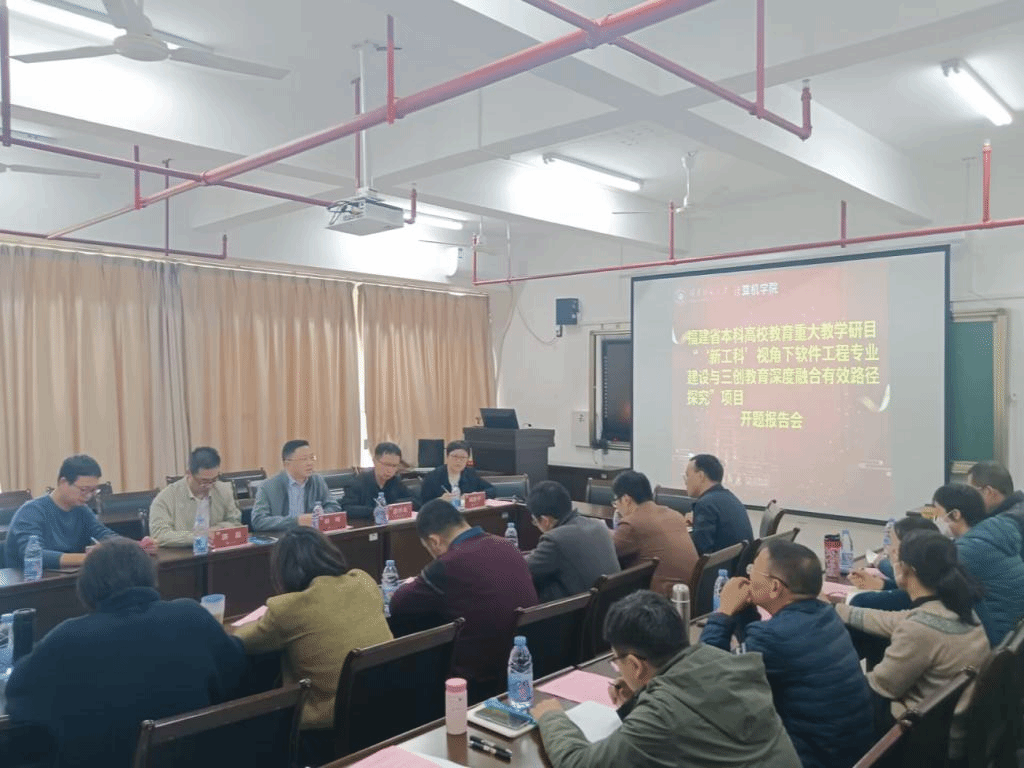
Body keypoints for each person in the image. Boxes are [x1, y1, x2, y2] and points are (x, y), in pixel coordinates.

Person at [4, 538, 246, 768]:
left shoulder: (66, 639)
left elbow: (17, 696)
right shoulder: (192, 616)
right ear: (151, 577)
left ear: (86, 588)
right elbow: (237, 669)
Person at [531, 590, 800, 768]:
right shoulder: (723, 661)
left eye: (617, 661)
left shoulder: (661, 716)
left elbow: (579, 763)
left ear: (635, 665)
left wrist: (552, 717)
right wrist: (642, 696)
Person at [701, 540, 873, 768]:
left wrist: (723, 612)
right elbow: (756, 653)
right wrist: (745, 610)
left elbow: (707, 678)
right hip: (850, 753)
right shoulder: (826, 614)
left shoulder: (773, 637)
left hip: (811, 759)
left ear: (774, 587)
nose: (748, 577)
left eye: (753, 571)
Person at [234, 527, 392, 762]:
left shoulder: (288, 609)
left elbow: (239, 641)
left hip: (326, 731)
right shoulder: (363, 581)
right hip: (386, 709)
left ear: (283, 571)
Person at [834, 530, 989, 729]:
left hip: (922, 733)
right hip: (955, 718)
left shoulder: (920, 629)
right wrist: (835, 609)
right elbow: (894, 620)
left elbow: (880, 686)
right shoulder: (957, 607)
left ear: (908, 569)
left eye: (895, 556)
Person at [388, 499, 537, 695]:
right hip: (522, 669)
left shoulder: (448, 564)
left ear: (434, 541)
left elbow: (398, 604)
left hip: (475, 682)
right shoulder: (507, 545)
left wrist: (411, 583)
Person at [932, 482, 1024, 646]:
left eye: (937, 512)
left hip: (996, 637)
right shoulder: (995, 531)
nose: (935, 519)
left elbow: (927, 584)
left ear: (956, 514)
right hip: (1014, 633)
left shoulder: (966, 551)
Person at [4, 454, 133, 569]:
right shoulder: (32, 511)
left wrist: (134, 546)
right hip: (29, 582)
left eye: (93, 490)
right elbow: (35, 555)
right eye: (84, 490)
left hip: (65, 578)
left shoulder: (82, 510)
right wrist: (91, 557)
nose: (89, 496)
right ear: (63, 482)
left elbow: (104, 534)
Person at [526, 480, 620, 601]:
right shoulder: (599, 525)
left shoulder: (555, 539)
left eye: (535, 521)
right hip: (612, 602)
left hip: (582, 610)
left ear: (545, 520)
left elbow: (523, 568)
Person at [610, 470, 697, 596]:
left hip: (662, 599)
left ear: (626, 499)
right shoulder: (675, 515)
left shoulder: (632, 523)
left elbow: (608, 554)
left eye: (616, 502)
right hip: (692, 594)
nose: (617, 507)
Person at [148, 446, 242, 547]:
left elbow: (235, 522)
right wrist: (198, 536)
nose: (209, 486)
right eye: (204, 481)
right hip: (182, 553)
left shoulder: (223, 490)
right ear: (189, 473)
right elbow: (160, 535)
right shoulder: (165, 498)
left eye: (214, 479)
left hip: (217, 552)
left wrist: (217, 530)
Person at [251, 440, 340, 532]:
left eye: (311, 458)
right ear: (287, 464)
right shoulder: (268, 486)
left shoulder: (317, 481)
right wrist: (297, 521)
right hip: (283, 537)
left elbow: (334, 507)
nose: (310, 463)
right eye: (304, 459)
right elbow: (258, 521)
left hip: (311, 535)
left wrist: (317, 517)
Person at [685, 453, 754, 555]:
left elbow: (700, 552)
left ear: (701, 476)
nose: (686, 482)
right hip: (738, 561)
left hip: (722, 564)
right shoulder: (728, 497)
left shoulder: (705, 505)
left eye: (687, 476)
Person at [341, 442, 417, 520]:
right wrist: (377, 511)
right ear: (374, 461)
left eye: (394, 466)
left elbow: (415, 501)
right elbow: (347, 509)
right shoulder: (357, 483)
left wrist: (392, 507)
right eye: (386, 465)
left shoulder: (395, 481)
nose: (389, 470)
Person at [967, 461, 1024, 557]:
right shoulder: (1015, 512)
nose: (968, 498)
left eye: (970, 492)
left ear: (988, 491)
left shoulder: (1007, 524)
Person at [419, 440, 495, 503]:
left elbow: (491, 490)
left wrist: (476, 495)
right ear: (447, 457)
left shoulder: (470, 473)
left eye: (463, 457)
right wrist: (439, 500)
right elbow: (422, 503)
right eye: (455, 456)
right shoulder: (433, 476)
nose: (458, 461)